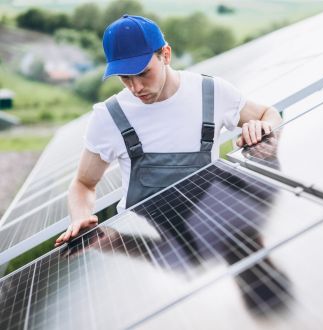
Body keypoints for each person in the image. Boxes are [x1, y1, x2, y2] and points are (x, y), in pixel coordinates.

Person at [55, 14, 282, 247]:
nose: (136, 87)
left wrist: (266, 130)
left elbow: (269, 114)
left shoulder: (211, 92)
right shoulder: (108, 117)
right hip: (142, 247)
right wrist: (81, 217)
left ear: (165, 54)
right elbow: (83, 184)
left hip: (209, 235)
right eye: (124, 77)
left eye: (143, 73)